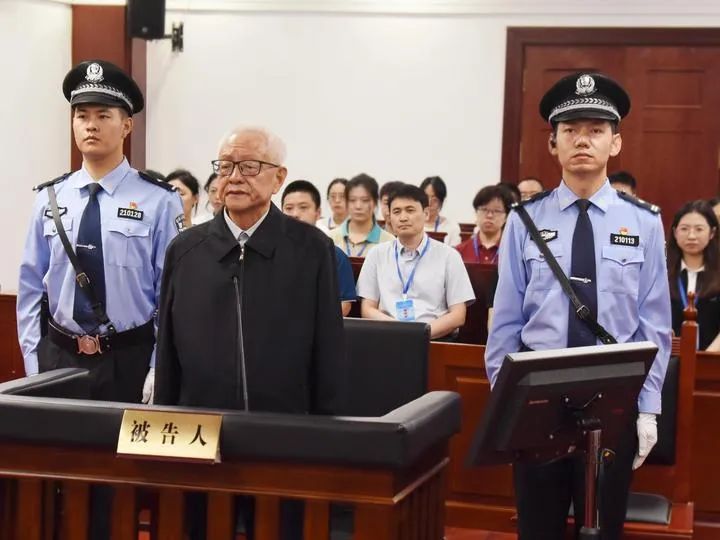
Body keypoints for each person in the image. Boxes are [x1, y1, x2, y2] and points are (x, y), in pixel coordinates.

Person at [485, 72, 671, 540]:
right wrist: (505, 401)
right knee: (538, 527)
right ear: (553, 144)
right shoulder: (524, 221)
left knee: (603, 528)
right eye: (570, 130)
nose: (582, 140)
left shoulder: (644, 222)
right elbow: (505, 321)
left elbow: (654, 326)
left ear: (615, 142)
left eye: (595, 130)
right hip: (539, 395)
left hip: (612, 397)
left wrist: (647, 408)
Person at [16, 59, 183, 540]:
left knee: (119, 481)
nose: (90, 125)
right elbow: (30, 289)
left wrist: (158, 367)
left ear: (126, 125)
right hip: (60, 358)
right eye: (81, 115)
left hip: (127, 358)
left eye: (103, 115)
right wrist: (35, 364)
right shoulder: (50, 198)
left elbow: (170, 295)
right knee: (55, 478)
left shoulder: (159, 200)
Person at [154, 127, 347, 539]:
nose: (235, 177)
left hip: (284, 435)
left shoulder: (312, 249)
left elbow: (328, 346)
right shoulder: (186, 250)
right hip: (200, 436)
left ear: (279, 178)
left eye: (250, 166)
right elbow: (168, 351)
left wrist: (325, 436)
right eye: (225, 166)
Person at [357, 184, 475, 340]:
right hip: (387, 338)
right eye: (396, 212)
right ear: (389, 217)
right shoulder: (377, 254)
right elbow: (367, 309)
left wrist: (418, 335)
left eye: (410, 210)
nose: (403, 217)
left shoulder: (449, 256)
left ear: (426, 213)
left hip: (433, 340)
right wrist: (399, 331)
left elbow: (458, 315)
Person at [281, 179, 357, 316]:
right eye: (289, 208)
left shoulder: (335, 256)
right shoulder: (269, 252)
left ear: (318, 212)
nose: (295, 214)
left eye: (303, 207)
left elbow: (344, 305)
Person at [667, 200, 720, 350]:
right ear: (675, 232)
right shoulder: (661, 272)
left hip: (711, 358)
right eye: (684, 229)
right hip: (668, 359)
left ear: (712, 233)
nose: (691, 236)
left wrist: (705, 357)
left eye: (699, 229)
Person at [329, 174, 394, 258]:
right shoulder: (331, 238)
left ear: (375, 202)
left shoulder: (389, 242)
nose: (358, 206)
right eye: (352, 200)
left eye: (365, 200)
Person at [456, 185, 513, 264]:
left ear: (506, 217)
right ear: (476, 212)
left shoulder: (513, 252)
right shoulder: (459, 252)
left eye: (497, 211)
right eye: (484, 209)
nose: (489, 215)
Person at [420, 176, 462, 246]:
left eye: (434, 199)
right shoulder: (412, 224)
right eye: (426, 197)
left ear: (441, 201)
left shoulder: (452, 227)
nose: (429, 203)